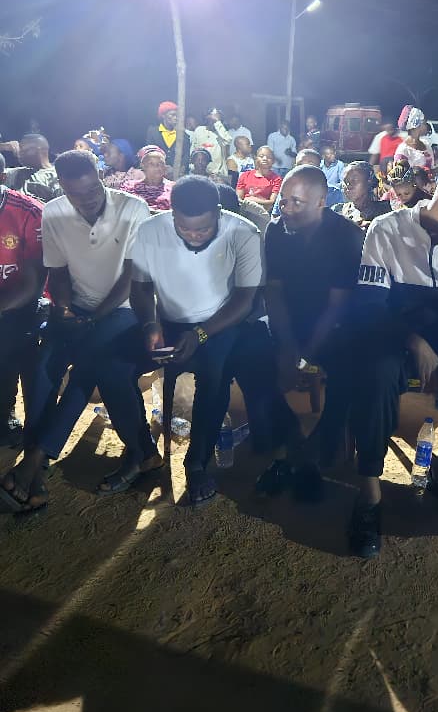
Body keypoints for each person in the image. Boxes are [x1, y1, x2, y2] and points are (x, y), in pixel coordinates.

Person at [349, 156, 438, 557]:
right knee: (377, 372)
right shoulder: (388, 229)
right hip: (394, 335)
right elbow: (370, 305)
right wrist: (414, 340)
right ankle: (370, 494)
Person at [94, 176, 263, 505]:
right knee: (111, 367)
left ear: (218, 212)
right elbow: (141, 287)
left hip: (219, 322)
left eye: (203, 229)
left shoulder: (244, 232)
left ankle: (196, 463)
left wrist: (200, 334)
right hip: (167, 321)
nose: (194, 235)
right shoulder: (150, 231)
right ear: (172, 214)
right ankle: (143, 453)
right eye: (184, 228)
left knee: (214, 376)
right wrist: (149, 324)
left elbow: (245, 300)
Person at [0, 150, 151, 513]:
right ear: (63, 188)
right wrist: (65, 307)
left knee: (88, 364)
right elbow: (58, 273)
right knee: (44, 366)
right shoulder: (54, 212)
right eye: (76, 195)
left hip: (124, 309)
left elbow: (131, 278)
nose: (87, 200)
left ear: (101, 177)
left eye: (93, 190)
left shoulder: (132, 209)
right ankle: (36, 465)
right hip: (78, 309)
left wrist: (95, 317)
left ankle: (34, 462)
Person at [253, 165, 364, 500]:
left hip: (334, 326)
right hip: (288, 321)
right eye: (283, 201)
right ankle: (289, 444)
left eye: (297, 202)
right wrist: (287, 346)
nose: (286, 209)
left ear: (320, 202)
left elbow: (337, 305)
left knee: (351, 373)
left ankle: (314, 452)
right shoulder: (276, 231)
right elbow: (273, 291)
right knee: (251, 360)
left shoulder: (345, 235)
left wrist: (304, 358)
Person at [0, 154, 44, 449]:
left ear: (2, 178)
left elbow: (34, 283)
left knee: (8, 343)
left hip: (19, 303)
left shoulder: (28, 211)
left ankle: (5, 415)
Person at [331, 161, 392, 231]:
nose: (348, 186)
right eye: (345, 181)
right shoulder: (337, 211)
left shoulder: (386, 210)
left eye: (354, 180)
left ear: (369, 181)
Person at [5, 134, 62, 203]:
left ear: (40, 150)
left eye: (23, 150)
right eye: (19, 150)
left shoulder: (57, 175)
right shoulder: (16, 172)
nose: (19, 154)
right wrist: (2, 147)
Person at [122, 145, 173, 211]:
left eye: (160, 163)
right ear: (143, 166)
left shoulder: (173, 188)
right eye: (151, 163)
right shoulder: (129, 187)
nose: (157, 167)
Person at [145, 101, 189, 175]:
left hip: (176, 176)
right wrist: (163, 167)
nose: (176, 118)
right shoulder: (153, 132)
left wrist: (176, 170)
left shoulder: (183, 136)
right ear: (163, 115)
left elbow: (185, 158)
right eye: (172, 115)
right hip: (156, 173)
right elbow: (150, 153)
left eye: (177, 115)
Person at [236, 145, 282, 213]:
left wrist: (252, 200)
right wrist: (262, 201)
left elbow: (272, 202)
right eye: (261, 156)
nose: (265, 159)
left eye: (269, 157)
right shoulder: (245, 176)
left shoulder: (276, 179)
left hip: (263, 213)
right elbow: (238, 198)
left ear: (273, 161)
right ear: (256, 159)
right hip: (244, 211)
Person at [191, 108, 232, 178]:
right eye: (211, 118)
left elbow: (228, 140)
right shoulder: (199, 130)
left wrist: (217, 122)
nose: (212, 121)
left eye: (216, 119)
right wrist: (192, 166)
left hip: (216, 174)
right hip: (199, 172)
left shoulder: (222, 133)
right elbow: (193, 149)